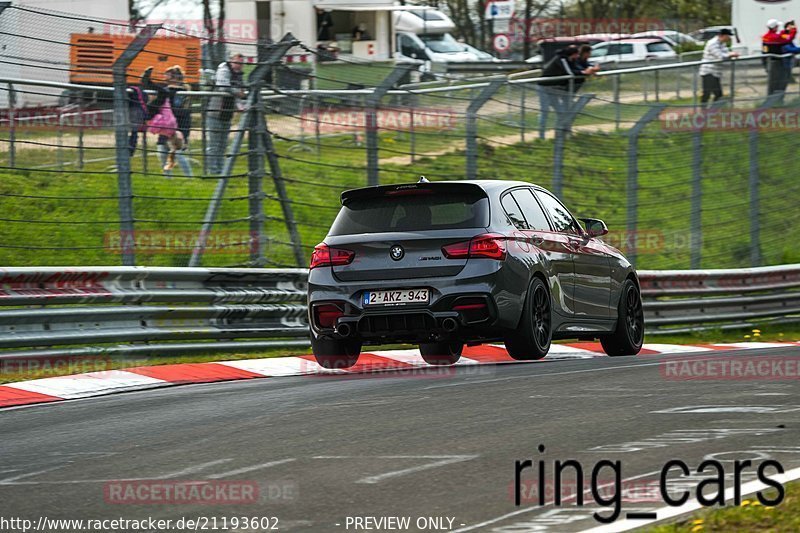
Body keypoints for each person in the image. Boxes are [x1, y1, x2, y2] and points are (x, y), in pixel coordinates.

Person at [140, 66, 185, 172]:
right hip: (151, 114)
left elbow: (164, 116)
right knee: (163, 93)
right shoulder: (167, 132)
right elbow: (153, 130)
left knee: (164, 93)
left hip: (154, 112)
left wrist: (160, 111)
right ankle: (146, 82)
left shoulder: (172, 126)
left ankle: (146, 81)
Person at [207, 53, 245, 175]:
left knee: (223, 145)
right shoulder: (223, 69)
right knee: (214, 145)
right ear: (231, 60)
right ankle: (213, 170)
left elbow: (241, 93)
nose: (239, 66)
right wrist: (237, 92)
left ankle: (221, 170)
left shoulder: (239, 75)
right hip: (216, 113)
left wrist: (240, 105)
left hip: (227, 114)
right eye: (237, 62)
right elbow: (223, 87)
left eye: (241, 63)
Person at [156, 66, 193, 176]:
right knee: (162, 151)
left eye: (167, 75)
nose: (165, 77)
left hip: (179, 126)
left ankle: (189, 177)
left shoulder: (182, 91)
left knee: (178, 153)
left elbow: (178, 110)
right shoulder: (167, 90)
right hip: (166, 126)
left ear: (174, 77)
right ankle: (167, 177)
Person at [537, 46, 580, 139]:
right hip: (544, 88)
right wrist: (584, 72)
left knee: (561, 112)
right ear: (573, 54)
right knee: (545, 111)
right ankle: (541, 136)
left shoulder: (571, 61)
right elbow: (569, 72)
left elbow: (577, 69)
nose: (578, 56)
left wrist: (585, 71)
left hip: (553, 89)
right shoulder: (561, 59)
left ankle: (561, 134)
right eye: (577, 54)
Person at [699, 28, 739, 105]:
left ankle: (712, 111)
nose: (729, 38)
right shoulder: (713, 43)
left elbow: (726, 53)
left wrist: (731, 54)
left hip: (716, 72)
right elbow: (719, 56)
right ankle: (704, 112)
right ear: (722, 35)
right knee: (708, 93)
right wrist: (731, 54)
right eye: (728, 36)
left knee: (718, 95)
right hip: (708, 72)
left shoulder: (722, 43)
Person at [762, 19, 795, 95]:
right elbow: (789, 38)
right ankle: (777, 99)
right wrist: (793, 30)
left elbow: (781, 36)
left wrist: (785, 31)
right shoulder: (776, 37)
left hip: (769, 61)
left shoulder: (765, 37)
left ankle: (771, 98)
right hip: (778, 62)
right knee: (780, 82)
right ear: (775, 27)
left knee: (772, 83)